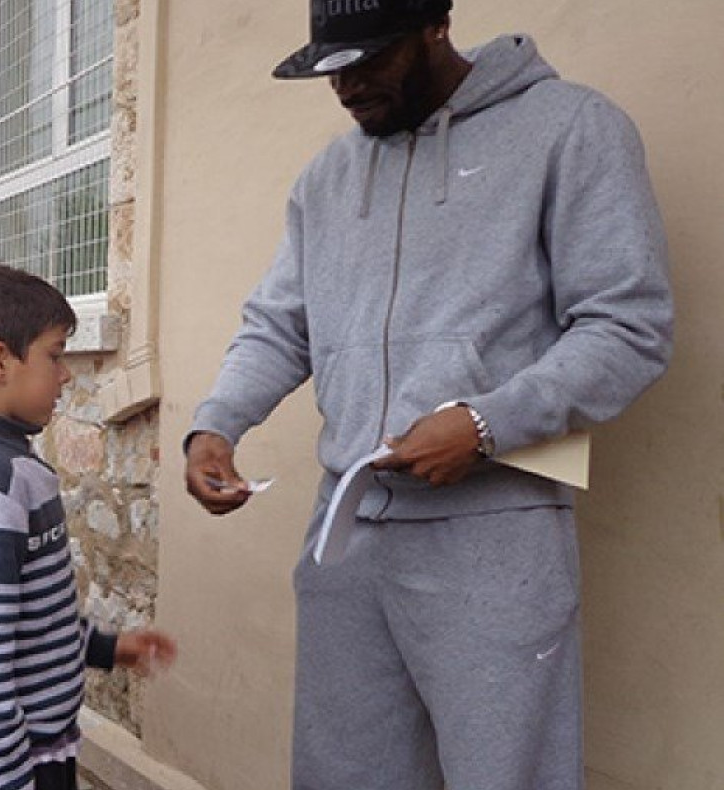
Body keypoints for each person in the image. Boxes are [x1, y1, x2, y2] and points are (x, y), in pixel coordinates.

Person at [184, 2, 675, 788]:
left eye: (368, 61)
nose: (347, 87)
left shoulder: (570, 130)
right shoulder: (327, 178)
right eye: (332, 69)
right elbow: (280, 324)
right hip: (345, 532)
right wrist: (217, 424)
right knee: (344, 776)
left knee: (506, 774)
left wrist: (486, 423)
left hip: (492, 530)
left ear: (434, 27)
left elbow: (628, 325)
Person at [0, 262, 177, 790]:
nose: (65, 375)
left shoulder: (7, 462)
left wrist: (106, 649)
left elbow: (30, 618)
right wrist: (6, 780)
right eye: (55, 355)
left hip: (28, 751)